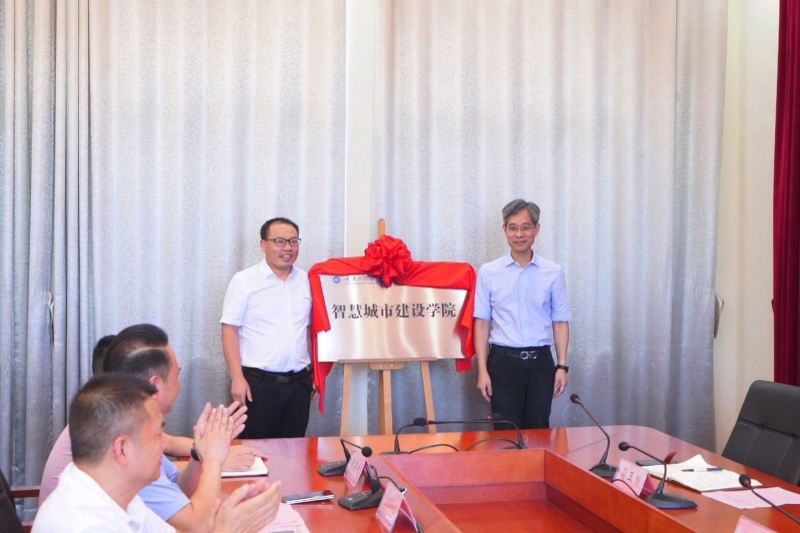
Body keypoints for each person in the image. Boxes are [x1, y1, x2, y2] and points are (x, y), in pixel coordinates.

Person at [33, 373, 281, 533]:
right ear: (122, 449)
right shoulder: (86, 524)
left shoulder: (118, 492)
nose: (165, 446)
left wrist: (226, 521)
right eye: (157, 435)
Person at [40, 330, 265, 504]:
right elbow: (197, 523)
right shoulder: (123, 436)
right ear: (155, 384)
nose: (180, 385)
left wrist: (204, 450)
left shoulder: (120, 417)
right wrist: (215, 459)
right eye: (177, 375)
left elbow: (176, 480)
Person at [474, 199, 572, 429]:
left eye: (526, 227)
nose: (519, 234)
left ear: (536, 229)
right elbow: (481, 323)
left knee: (538, 430)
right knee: (505, 432)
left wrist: (562, 367)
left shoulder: (553, 272)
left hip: (541, 364)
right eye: (513, 227)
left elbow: (560, 321)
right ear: (505, 230)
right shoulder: (489, 272)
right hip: (503, 363)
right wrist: (482, 371)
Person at [221, 217, 316, 439]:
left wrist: (315, 374)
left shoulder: (307, 281)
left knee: (294, 449)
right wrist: (237, 378)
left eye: (293, 241)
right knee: (255, 449)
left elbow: (309, 331)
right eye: (280, 241)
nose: (288, 248)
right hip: (258, 385)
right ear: (264, 244)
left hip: (299, 384)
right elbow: (229, 330)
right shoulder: (244, 281)